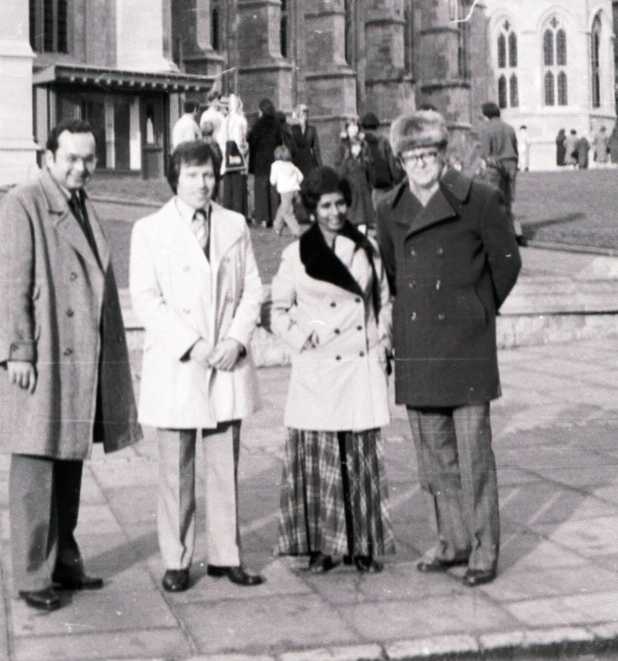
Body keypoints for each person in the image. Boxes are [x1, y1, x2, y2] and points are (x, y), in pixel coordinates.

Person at [0, 119, 141, 612]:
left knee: (69, 462)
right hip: (42, 358)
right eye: (70, 158)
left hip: (77, 359)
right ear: (48, 157)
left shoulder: (82, 204)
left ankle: (64, 560)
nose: (80, 168)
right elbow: (7, 283)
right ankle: (32, 574)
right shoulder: (22, 203)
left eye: (88, 159)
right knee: (35, 466)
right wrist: (18, 352)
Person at [376, 109, 521, 588]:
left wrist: (477, 308)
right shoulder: (388, 207)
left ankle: (483, 550)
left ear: (443, 154)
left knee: (474, 454)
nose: (420, 163)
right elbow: (393, 274)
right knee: (434, 456)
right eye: (411, 155)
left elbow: (506, 262)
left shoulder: (479, 198)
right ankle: (452, 541)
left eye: (428, 154)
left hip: (465, 341)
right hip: (419, 343)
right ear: (400, 160)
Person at [130, 140, 267, 594]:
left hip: (226, 361)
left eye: (208, 174)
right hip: (179, 363)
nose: (202, 183)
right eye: (191, 175)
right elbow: (146, 300)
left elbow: (253, 290)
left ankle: (226, 556)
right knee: (176, 467)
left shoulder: (234, 224)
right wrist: (192, 345)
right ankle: (176, 558)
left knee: (223, 464)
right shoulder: (150, 230)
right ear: (175, 178)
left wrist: (234, 340)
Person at [271, 166, 395, 575]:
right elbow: (277, 311)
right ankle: (322, 547)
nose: (335, 211)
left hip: (359, 363)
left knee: (359, 456)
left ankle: (362, 546)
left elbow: (383, 304)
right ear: (312, 208)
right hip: (319, 364)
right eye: (325, 205)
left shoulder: (368, 249)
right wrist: (301, 337)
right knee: (321, 456)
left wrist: (382, 341)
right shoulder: (296, 255)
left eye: (340, 203)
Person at [474, 102, 521, 217]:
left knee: (494, 197)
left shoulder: (486, 129)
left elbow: (485, 153)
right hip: (511, 163)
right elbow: (515, 148)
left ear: (486, 115)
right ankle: (510, 225)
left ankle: (497, 226)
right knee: (508, 197)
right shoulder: (510, 128)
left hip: (495, 165)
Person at [246, 99, 286, 228]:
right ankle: (274, 217)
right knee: (273, 190)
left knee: (261, 190)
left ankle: (263, 218)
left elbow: (252, 141)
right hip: (273, 160)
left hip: (260, 161)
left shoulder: (258, 123)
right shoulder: (276, 123)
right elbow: (280, 141)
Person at [336, 120, 377, 234]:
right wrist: (351, 156)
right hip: (349, 185)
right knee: (350, 215)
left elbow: (370, 165)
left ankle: (361, 238)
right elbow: (340, 168)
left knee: (362, 217)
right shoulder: (343, 145)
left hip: (362, 185)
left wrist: (370, 182)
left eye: (355, 126)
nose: (353, 129)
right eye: (350, 126)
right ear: (347, 129)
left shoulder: (364, 144)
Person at [269, 145, 305, 236]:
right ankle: (277, 226)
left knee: (286, 212)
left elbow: (272, 181)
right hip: (295, 190)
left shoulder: (275, 165)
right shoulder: (291, 165)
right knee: (283, 207)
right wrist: (295, 183)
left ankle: (296, 231)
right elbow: (301, 177)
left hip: (285, 191)